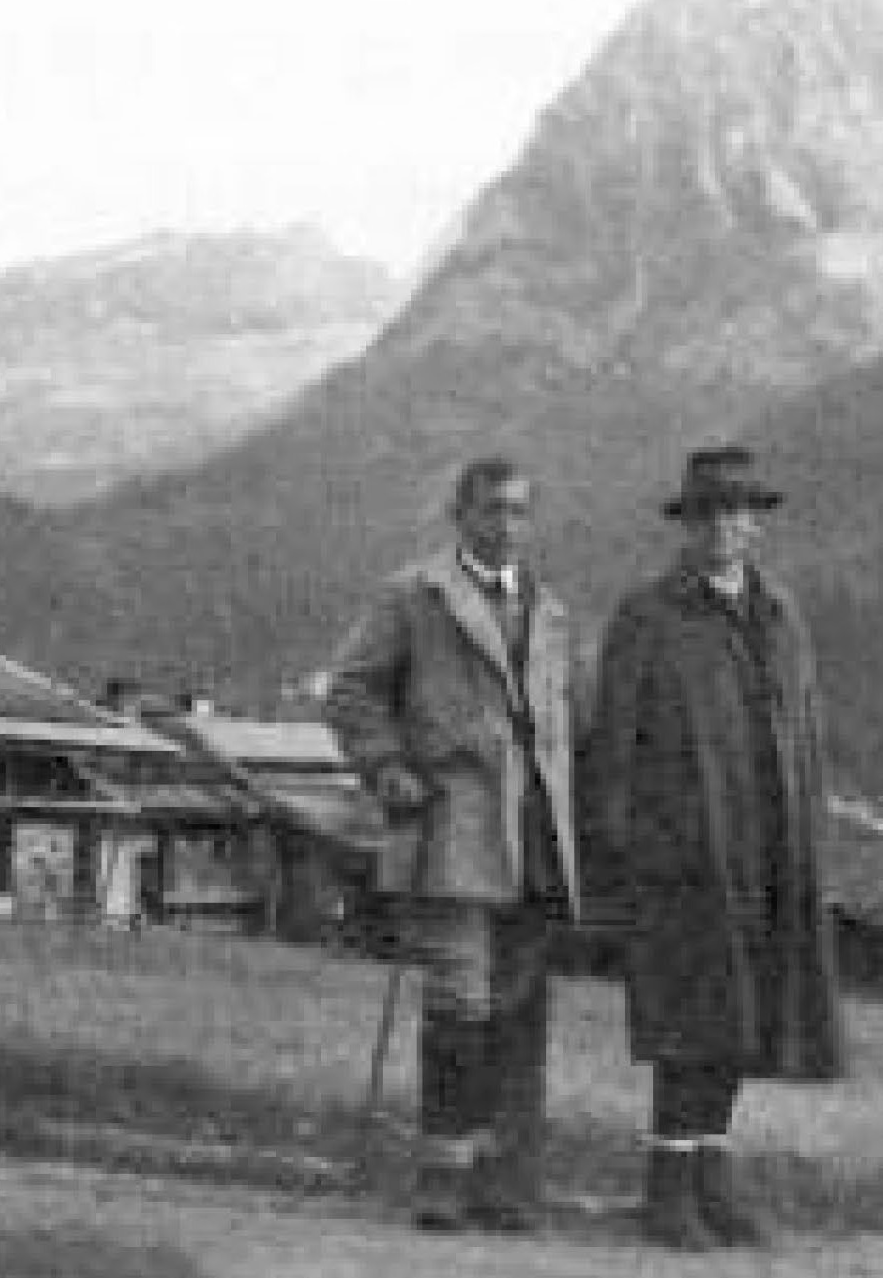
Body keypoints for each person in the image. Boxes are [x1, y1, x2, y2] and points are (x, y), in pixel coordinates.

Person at [583, 445, 847, 1252]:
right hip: (682, 853)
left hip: (765, 850)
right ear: (688, 524)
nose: (725, 526)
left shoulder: (779, 615)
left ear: (754, 524)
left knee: (743, 1017)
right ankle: (666, 1188)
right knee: (687, 1018)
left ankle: (711, 1178)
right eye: (710, 513)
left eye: (739, 511)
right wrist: (621, 842)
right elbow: (613, 737)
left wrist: (809, 838)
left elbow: (803, 733)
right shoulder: (650, 614)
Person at [323, 456, 581, 1233]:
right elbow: (350, 690)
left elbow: (567, 720)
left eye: (519, 511)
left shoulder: (550, 610)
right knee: (457, 1000)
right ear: (459, 515)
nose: (506, 525)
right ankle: (441, 1178)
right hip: (451, 825)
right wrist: (385, 764)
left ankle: (499, 1184)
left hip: (531, 835)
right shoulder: (415, 596)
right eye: (491, 509)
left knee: (508, 1010)